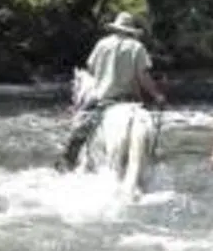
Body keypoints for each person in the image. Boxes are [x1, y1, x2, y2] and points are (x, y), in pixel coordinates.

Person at [57, 11, 165, 170]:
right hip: (129, 101)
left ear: (115, 28)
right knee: (150, 132)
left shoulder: (102, 44)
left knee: (79, 127)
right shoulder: (137, 47)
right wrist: (157, 95)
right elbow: (142, 77)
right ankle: (151, 161)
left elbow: (91, 70)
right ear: (131, 31)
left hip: (103, 99)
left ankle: (68, 161)